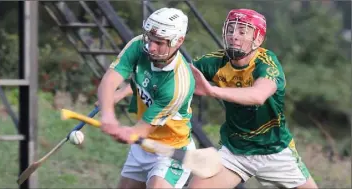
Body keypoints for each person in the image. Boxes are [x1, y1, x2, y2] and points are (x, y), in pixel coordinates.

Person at [187, 9, 319, 189]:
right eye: (230, 29)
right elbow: (175, 78)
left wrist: (212, 90)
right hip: (235, 151)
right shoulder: (214, 62)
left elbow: (258, 96)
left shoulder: (267, 62)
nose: (234, 36)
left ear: (258, 39)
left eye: (242, 31)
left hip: (274, 150)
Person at [97, 7, 196, 189]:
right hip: (141, 149)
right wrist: (108, 114)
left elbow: (141, 130)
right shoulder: (137, 45)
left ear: (178, 41)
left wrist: (124, 132)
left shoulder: (178, 84)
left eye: (159, 42)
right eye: (149, 39)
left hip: (171, 150)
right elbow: (109, 80)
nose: (151, 47)